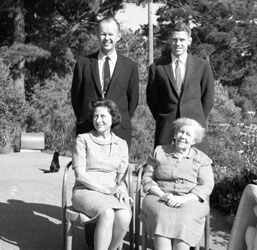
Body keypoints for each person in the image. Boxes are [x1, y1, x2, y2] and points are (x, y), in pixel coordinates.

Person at [140, 118, 214, 250]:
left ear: (194, 141)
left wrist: (184, 199)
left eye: (188, 134)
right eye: (181, 132)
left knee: (185, 218)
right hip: (158, 197)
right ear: (175, 134)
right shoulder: (159, 151)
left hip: (190, 200)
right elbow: (147, 178)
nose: (183, 136)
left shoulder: (202, 159)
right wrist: (163, 195)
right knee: (162, 216)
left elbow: (206, 186)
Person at [72, 99, 132, 250]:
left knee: (125, 215)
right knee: (107, 213)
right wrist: (104, 190)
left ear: (113, 118)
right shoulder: (83, 139)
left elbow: (121, 177)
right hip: (86, 190)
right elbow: (80, 175)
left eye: (103, 116)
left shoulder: (121, 144)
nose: (98, 120)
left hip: (111, 190)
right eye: (95, 116)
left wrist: (122, 191)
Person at [146, 21, 214, 153]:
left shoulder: (202, 66)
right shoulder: (157, 67)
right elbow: (152, 100)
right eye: (174, 39)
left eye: (182, 40)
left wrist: (196, 118)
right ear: (169, 40)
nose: (178, 43)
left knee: (195, 170)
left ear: (189, 41)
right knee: (163, 170)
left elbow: (208, 99)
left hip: (194, 129)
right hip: (166, 129)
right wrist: (164, 118)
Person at [71, 16, 139, 148]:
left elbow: (133, 100)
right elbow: (76, 97)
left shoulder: (130, 66)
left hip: (119, 130)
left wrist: (116, 118)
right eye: (103, 34)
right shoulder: (83, 64)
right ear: (97, 35)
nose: (107, 38)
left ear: (118, 36)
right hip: (87, 127)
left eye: (111, 34)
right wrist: (84, 118)